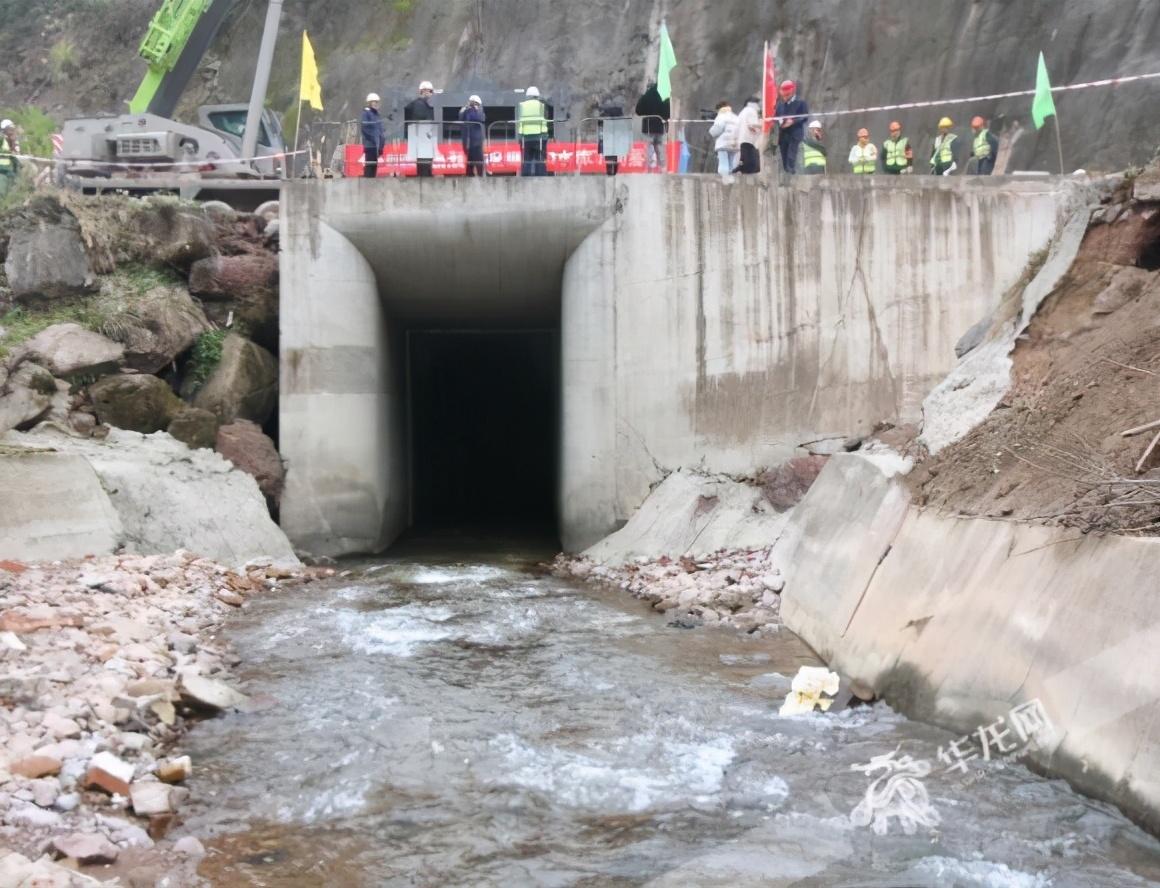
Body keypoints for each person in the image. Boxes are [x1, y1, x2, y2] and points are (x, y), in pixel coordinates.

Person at [775, 80, 809, 174]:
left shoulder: (800, 102)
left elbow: (805, 116)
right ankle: (787, 173)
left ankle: (791, 173)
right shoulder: (780, 105)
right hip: (783, 134)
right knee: (784, 156)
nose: (785, 97)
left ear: (792, 92)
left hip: (795, 133)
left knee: (792, 155)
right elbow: (776, 117)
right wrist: (780, 122)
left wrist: (793, 121)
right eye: (783, 96)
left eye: (787, 95)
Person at [634, 82, 670, 172]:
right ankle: (663, 167)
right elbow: (668, 112)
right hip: (659, 126)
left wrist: (646, 113)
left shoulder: (647, 95)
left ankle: (648, 167)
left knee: (649, 146)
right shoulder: (664, 96)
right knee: (660, 146)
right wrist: (664, 118)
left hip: (648, 125)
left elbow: (638, 110)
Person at [405, 80, 437, 177]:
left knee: (426, 162)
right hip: (422, 138)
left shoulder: (423, 104)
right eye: (430, 91)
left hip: (424, 138)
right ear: (423, 91)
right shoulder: (419, 104)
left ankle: (426, 177)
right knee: (424, 163)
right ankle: (424, 179)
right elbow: (422, 120)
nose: (431, 94)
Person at [517, 86, 549, 176]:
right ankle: (541, 177)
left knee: (526, 158)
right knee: (540, 158)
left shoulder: (522, 105)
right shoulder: (541, 105)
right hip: (539, 136)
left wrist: (520, 137)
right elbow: (545, 119)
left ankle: (525, 178)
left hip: (525, 137)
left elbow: (520, 122)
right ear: (537, 95)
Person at [709, 100, 739, 179]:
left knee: (723, 162)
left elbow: (717, 129)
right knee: (731, 163)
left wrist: (711, 132)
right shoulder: (735, 116)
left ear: (719, 109)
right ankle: (731, 178)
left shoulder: (721, 116)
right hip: (735, 143)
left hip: (724, 143)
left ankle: (723, 180)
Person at [735, 96, 763, 175]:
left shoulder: (743, 111)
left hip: (741, 139)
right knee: (752, 164)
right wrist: (762, 126)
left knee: (744, 160)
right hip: (749, 140)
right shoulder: (752, 111)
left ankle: (739, 170)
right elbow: (752, 125)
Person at [459, 95, 486, 177]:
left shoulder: (472, 111)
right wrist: (472, 109)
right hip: (471, 141)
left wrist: (475, 109)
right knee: (474, 162)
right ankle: (474, 177)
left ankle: (475, 177)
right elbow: (462, 117)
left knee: (475, 161)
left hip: (473, 142)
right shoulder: (467, 111)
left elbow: (481, 118)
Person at [360, 94, 384, 179]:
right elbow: (365, 128)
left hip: (376, 146)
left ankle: (371, 186)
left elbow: (380, 131)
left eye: (377, 102)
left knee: (374, 167)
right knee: (369, 167)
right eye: (374, 102)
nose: (376, 104)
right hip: (370, 145)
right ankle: (366, 186)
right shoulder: (366, 113)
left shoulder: (377, 114)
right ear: (369, 103)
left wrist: (381, 145)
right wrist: (374, 139)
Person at [0, 120, 19, 199]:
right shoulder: (1, 139)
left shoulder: (12, 140)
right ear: (5, 129)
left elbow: (14, 155)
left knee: (10, 192)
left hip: (9, 170)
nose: (12, 131)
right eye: (10, 129)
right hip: (1, 171)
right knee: (2, 192)